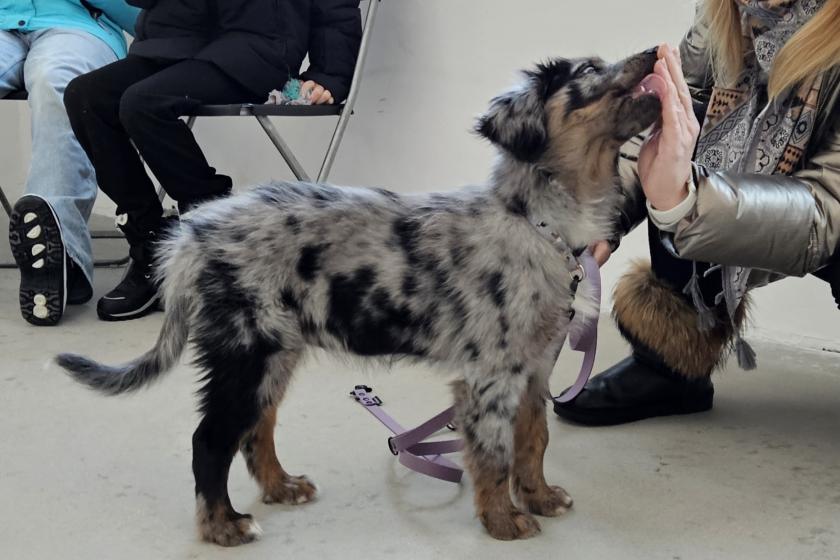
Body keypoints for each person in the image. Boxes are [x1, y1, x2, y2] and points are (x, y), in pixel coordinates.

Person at [555, 0, 840, 426]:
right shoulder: (725, 10)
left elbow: (830, 206)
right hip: (783, 192)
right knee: (686, 144)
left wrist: (688, 203)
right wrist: (598, 215)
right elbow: (675, 111)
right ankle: (672, 367)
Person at [64, 0, 362, 322]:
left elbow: (335, 6)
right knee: (86, 97)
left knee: (143, 104)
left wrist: (329, 73)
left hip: (256, 46)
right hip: (174, 41)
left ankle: (218, 233)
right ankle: (151, 243)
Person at [3, 0, 140, 326]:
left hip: (79, 28)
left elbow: (142, 17)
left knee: (56, 82)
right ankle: (52, 255)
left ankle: (61, 256)